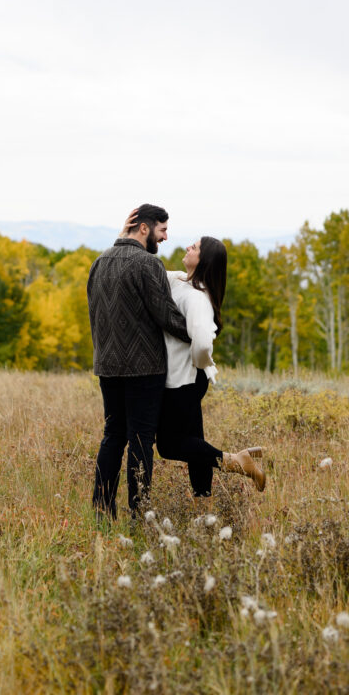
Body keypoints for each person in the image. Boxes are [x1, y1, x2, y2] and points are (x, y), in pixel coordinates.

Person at [87, 203, 191, 520]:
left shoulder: (99, 262)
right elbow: (167, 316)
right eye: (162, 230)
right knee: (141, 440)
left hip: (107, 366)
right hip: (144, 369)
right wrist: (199, 334)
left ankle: (102, 513)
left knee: (113, 436)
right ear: (144, 228)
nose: (166, 237)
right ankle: (139, 514)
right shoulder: (147, 265)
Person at [156, 235, 266, 499]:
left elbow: (204, 343)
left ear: (203, 259)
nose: (187, 247)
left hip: (185, 380)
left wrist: (200, 364)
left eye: (194, 247)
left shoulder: (198, 298)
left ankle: (236, 461)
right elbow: (151, 268)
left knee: (169, 445)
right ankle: (203, 498)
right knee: (193, 437)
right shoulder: (180, 280)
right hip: (188, 379)